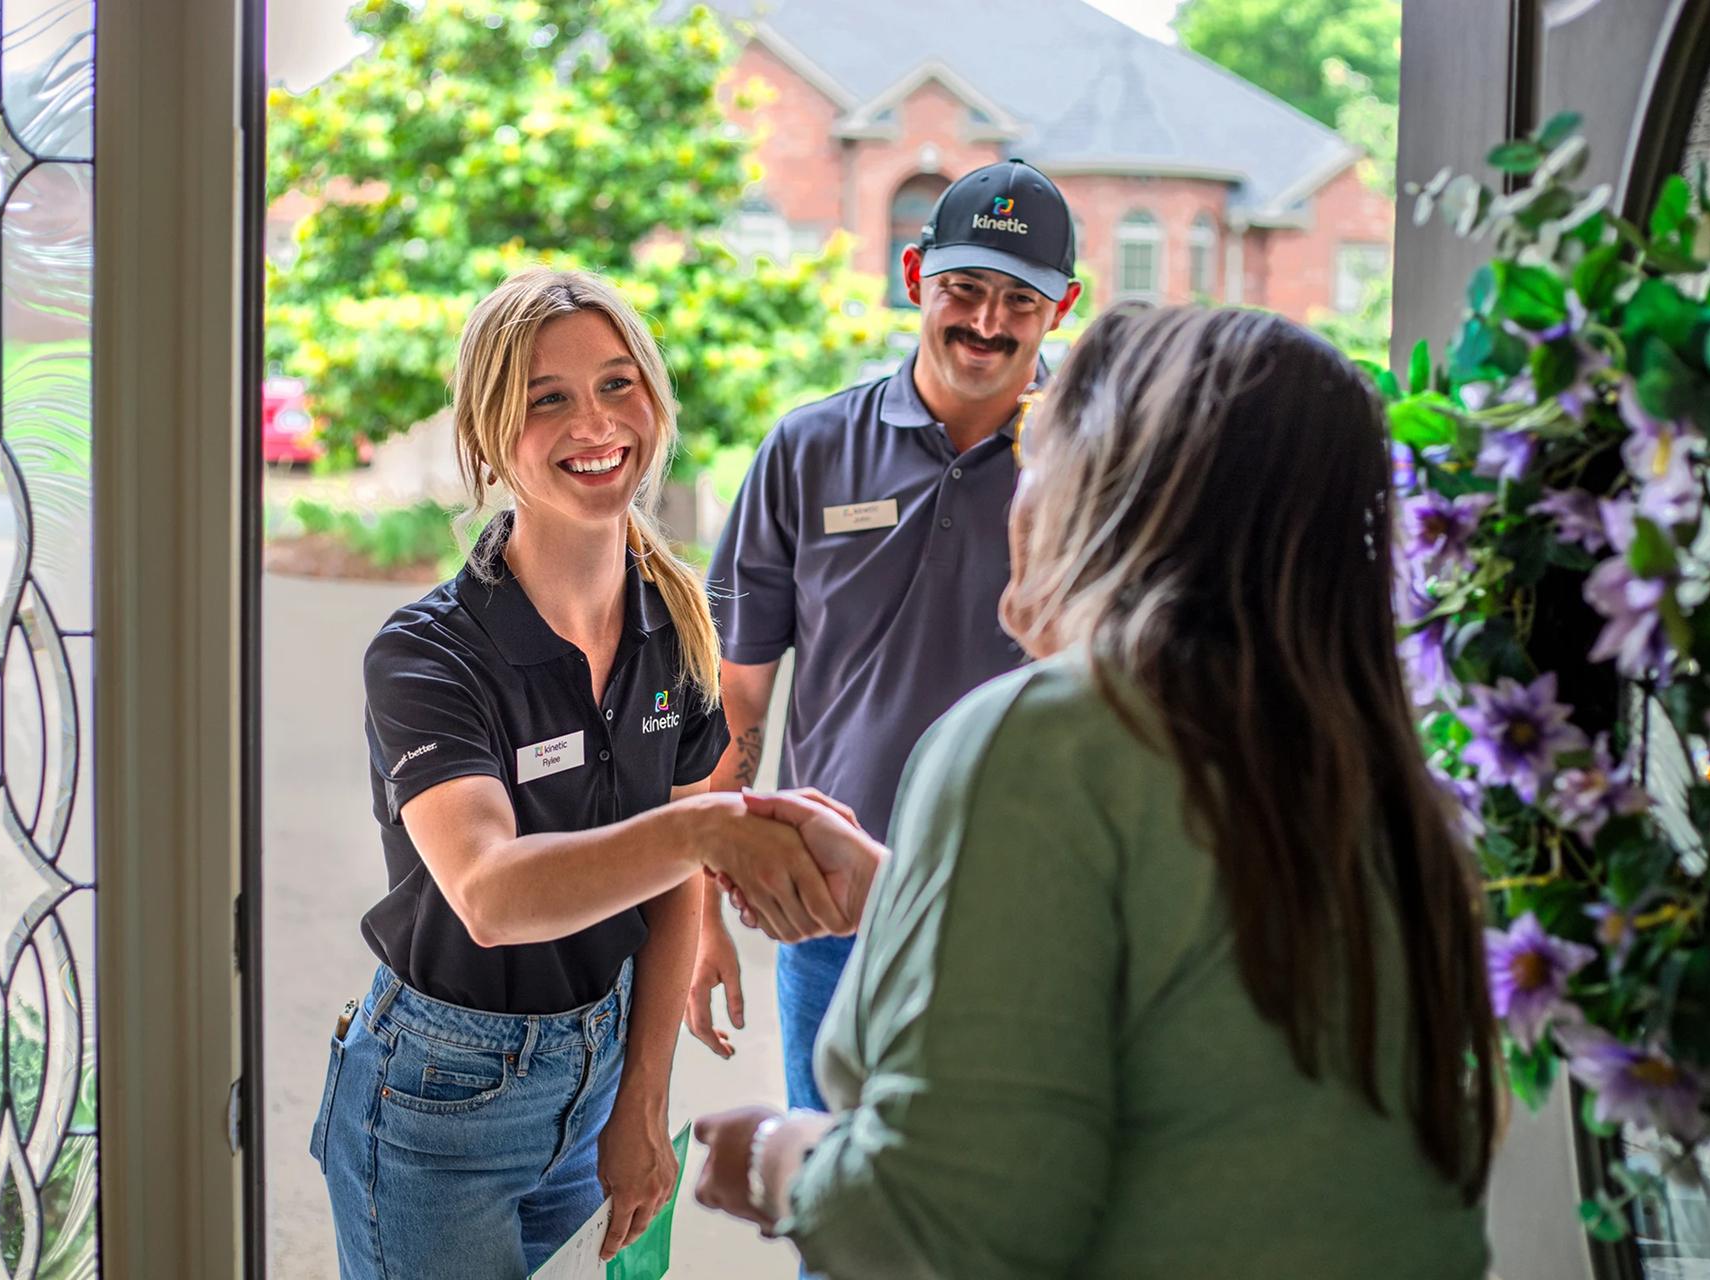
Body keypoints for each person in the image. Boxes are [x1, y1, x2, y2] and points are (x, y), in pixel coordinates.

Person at [693, 305, 1501, 1278]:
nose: (1015, 487)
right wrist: (907, 891)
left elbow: (949, 1226)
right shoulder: (1369, 769)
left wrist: (783, 1160)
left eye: (1039, 446)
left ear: (1120, 494)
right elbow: (1195, 1000)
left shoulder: (1040, 736)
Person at [309, 268, 854, 1280]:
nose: (595, 422)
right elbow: (490, 893)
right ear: (487, 431)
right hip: (439, 1098)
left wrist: (644, 1100)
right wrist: (704, 830)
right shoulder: (427, 653)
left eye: (617, 383)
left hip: (600, 1072)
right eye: (547, 398)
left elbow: (677, 889)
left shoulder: (678, 617)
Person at [688, 159, 1082, 1107]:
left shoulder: (1101, 462)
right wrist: (700, 905)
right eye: (964, 289)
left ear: (1061, 307)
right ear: (914, 278)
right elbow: (736, 697)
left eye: (1018, 300)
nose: (987, 323)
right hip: (826, 917)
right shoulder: (809, 448)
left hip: (1028, 921)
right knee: (832, 1214)